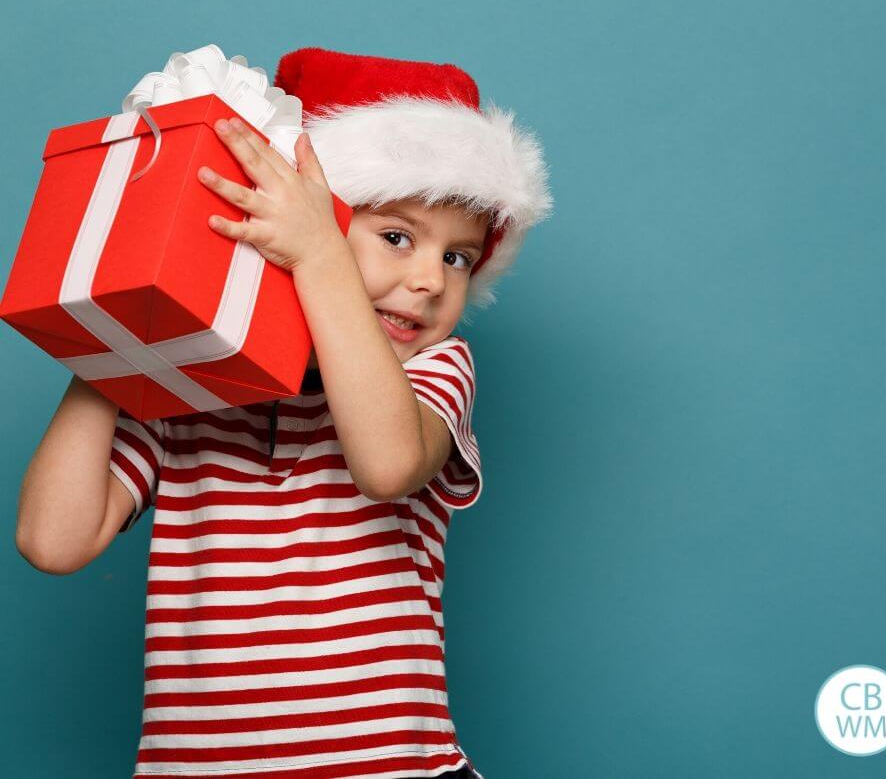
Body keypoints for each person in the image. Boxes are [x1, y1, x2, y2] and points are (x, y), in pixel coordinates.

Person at [15, 46, 551, 778]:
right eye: (397, 237)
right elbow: (53, 541)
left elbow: (389, 463)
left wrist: (323, 257)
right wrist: (120, 330)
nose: (430, 279)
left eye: (459, 258)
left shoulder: (435, 368)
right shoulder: (187, 390)